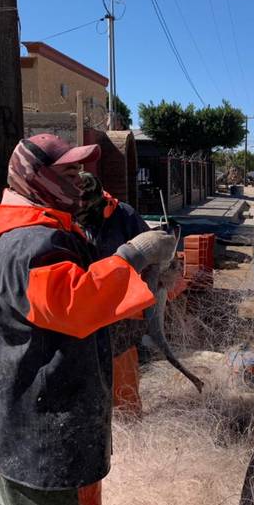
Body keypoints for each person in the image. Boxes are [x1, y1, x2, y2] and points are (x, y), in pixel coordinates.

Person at [0, 134, 175, 505]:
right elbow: (74, 305)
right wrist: (133, 256)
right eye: (67, 171)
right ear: (37, 177)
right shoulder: (27, 243)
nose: (79, 179)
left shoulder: (42, 226)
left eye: (80, 169)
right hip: (42, 433)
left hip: (49, 426)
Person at [76, 171, 150, 416]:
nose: (84, 209)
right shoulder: (67, 216)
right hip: (83, 306)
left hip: (120, 308)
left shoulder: (123, 215)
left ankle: (128, 421)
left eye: (88, 204)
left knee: (122, 367)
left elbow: (149, 248)